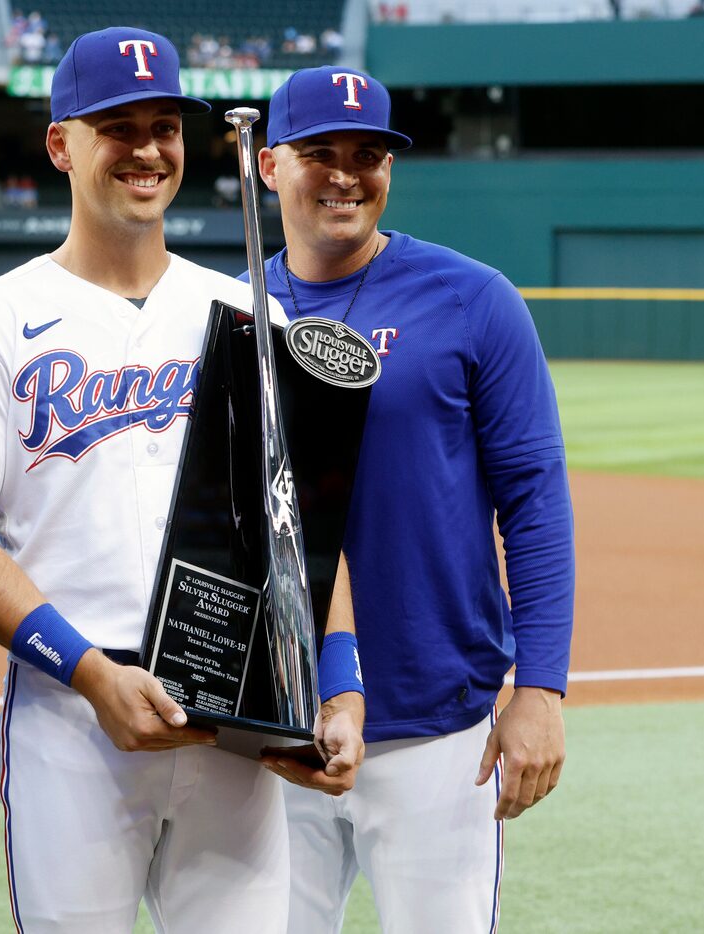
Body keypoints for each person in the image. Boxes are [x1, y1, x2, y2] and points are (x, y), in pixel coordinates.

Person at [0, 27, 363, 934]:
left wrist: (338, 687)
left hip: (232, 727)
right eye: (117, 127)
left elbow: (297, 524)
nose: (148, 149)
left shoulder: (244, 309)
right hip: (72, 721)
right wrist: (86, 673)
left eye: (165, 126)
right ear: (60, 145)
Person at [246, 65, 574, 932]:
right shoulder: (223, 309)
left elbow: (534, 499)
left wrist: (538, 687)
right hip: (273, 722)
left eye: (370, 153)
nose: (347, 173)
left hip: (437, 720)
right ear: (269, 165)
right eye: (321, 151)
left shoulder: (474, 300)